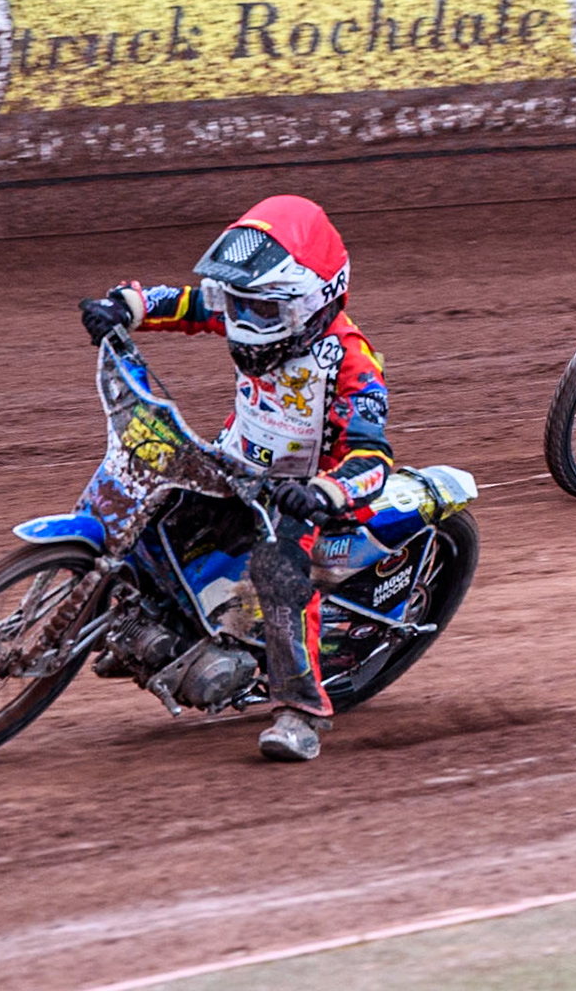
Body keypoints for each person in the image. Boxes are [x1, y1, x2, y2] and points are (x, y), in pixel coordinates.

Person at [78, 196, 393, 760]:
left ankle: (301, 711)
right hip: (234, 462)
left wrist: (324, 491)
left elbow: (373, 459)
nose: (245, 323)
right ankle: (144, 624)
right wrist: (125, 306)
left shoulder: (353, 365)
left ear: (312, 304)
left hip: (301, 494)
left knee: (281, 580)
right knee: (149, 509)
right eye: (239, 305)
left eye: (263, 312)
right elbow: (190, 303)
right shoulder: (258, 305)